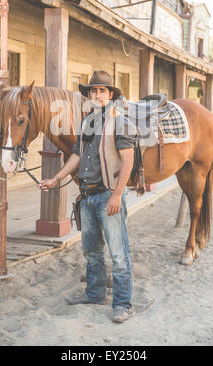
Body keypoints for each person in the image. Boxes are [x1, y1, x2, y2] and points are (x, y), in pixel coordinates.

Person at [38, 71, 137, 323]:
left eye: (102, 91)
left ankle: (123, 304)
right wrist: (56, 178)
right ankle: (94, 294)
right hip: (87, 196)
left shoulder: (121, 122)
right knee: (92, 252)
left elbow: (127, 162)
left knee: (118, 253)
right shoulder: (86, 122)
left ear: (111, 94)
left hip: (107, 196)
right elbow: (77, 155)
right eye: (93, 91)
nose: (97, 95)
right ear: (89, 95)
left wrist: (117, 194)